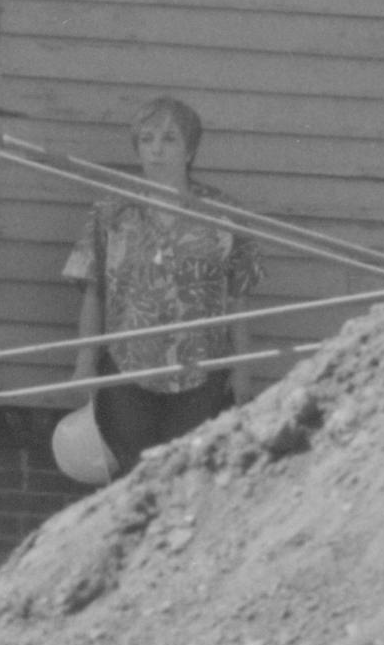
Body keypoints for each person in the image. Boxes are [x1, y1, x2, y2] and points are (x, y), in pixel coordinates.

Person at [53, 92, 263, 486]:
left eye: (169, 139)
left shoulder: (224, 215)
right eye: (147, 140)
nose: (156, 150)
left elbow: (239, 298)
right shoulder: (111, 213)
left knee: (184, 477)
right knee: (134, 476)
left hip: (200, 372)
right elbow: (93, 293)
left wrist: (243, 369)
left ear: (190, 150)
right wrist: (84, 364)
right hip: (127, 371)